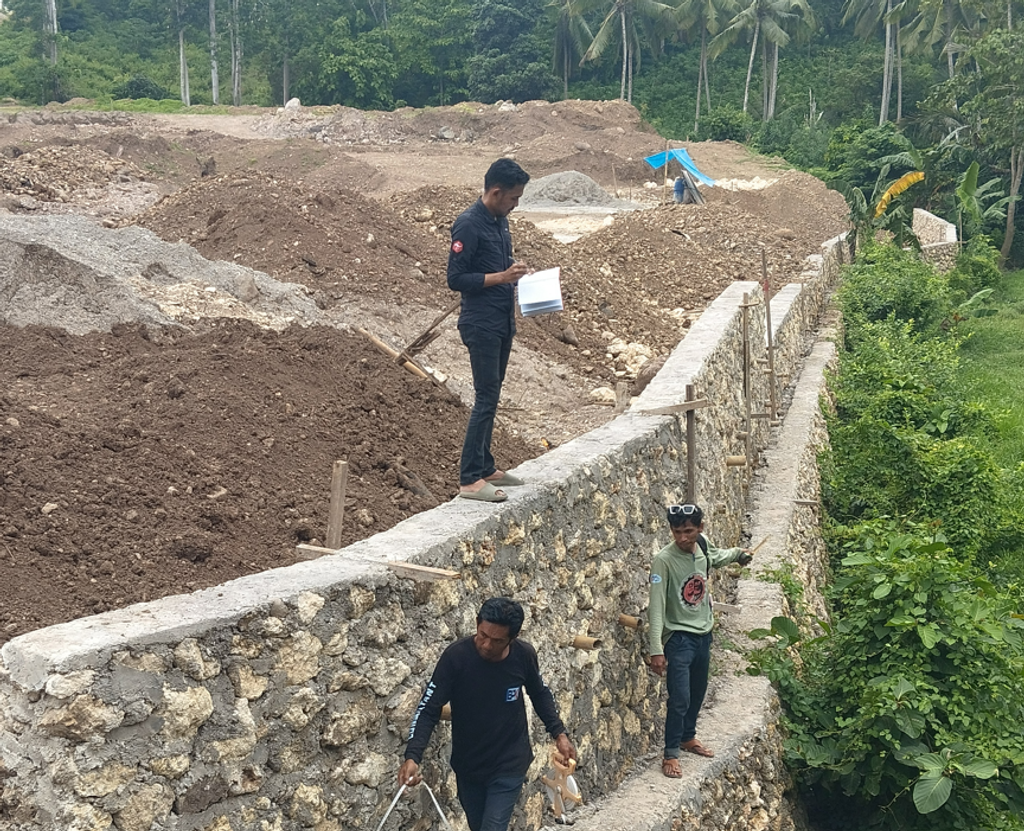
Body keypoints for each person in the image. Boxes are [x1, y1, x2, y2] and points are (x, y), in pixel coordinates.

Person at [399, 597, 577, 831]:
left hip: (509, 763)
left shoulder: (523, 656)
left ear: (512, 638)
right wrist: (413, 756)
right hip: (468, 766)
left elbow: (540, 694)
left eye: (496, 640)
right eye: (482, 635)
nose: (485, 645)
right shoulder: (456, 658)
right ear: (476, 624)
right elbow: (428, 709)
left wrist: (559, 734)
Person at [647, 503, 754, 778]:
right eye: (677, 532)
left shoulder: (703, 545)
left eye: (689, 531)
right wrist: (656, 648)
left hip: (704, 634)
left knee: (697, 691)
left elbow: (717, 557)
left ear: (700, 529)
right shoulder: (664, 560)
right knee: (679, 697)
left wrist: (738, 555)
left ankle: (688, 737)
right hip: (679, 637)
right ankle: (670, 753)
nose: (683, 538)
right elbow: (656, 606)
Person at [447, 158, 532, 503]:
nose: (515, 205)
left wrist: (515, 271)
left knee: (494, 394)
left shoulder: (500, 222)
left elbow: (498, 268)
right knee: (484, 397)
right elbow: (455, 279)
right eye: (513, 198)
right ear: (496, 192)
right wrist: (501, 277)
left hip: (502, 320)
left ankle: (485, 465)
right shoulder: (468, 225)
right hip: (480, 323)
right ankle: (469, 479)